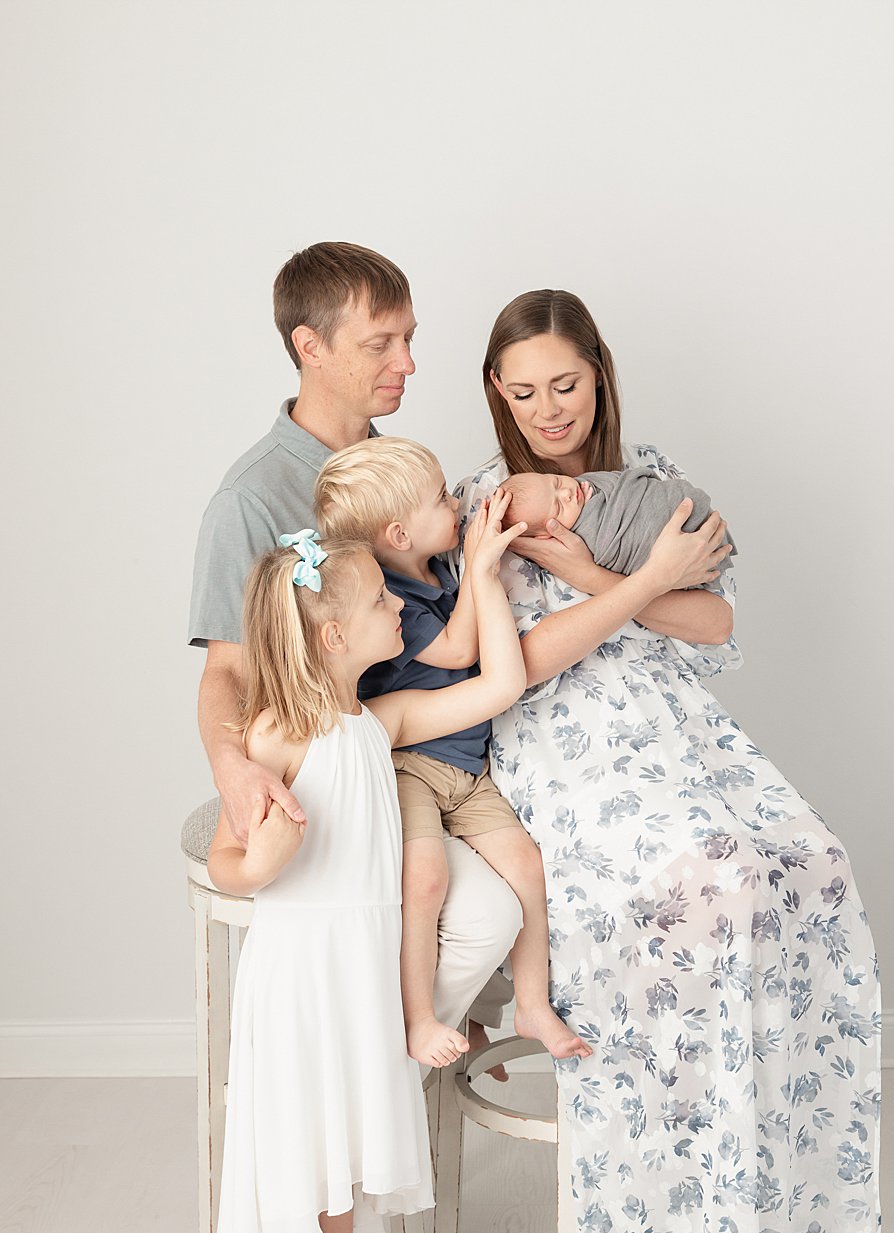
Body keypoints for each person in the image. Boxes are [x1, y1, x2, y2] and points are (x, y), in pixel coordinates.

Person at [456, 289, 883, 1233]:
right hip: (562, 741)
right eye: (522, 390)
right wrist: (643, 587)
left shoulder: (652, 483)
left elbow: (710, 625)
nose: (547, 408)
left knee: (814, 870)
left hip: (674, 723)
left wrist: (622, 578)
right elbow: (525, 660)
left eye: (564, 381)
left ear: (596, 371)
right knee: (710, 885)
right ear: (496, 397)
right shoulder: (482, 503)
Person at [205, 494, 528, 1233]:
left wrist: (489, 573)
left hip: (359, 979)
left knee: (342, 1150)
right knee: (293, 1157)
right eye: (381, 603)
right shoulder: (276, 737)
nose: (399, 606)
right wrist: (258, 859)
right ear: (332, 635)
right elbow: (234, 861)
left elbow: (497, 687)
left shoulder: (374, 727)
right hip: (300, 983)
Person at [188, 242, 520, 1073]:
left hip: (415, 752)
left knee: (501, 901)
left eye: (409, 337)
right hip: (325, 778)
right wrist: (234, 771)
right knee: (455, 911)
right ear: (310, 347)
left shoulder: (400, 473)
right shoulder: (251, 497)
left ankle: (386, 1068)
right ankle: (358, 1077)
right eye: (381, 343)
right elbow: (225, 673)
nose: (407, 363)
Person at [314, 436, 592, 1066]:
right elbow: (462, 650)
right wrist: (481, 563)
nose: (456, 503)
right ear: (398, 533)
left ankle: (531, 1003)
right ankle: (417, 1017)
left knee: (525, 864)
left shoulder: (439, 572)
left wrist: (474, 561)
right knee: (427, 879)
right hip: (410, 768)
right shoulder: (389, 599)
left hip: (466, 767)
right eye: (440, 498)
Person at [500, 465, 735, 575]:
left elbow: (628, 484)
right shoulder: (583, 539)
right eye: (559, 506)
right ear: (546, 535)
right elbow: (616, 549)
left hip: (683, 510)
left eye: (557, 483)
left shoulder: (588, 482)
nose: (568, 493)